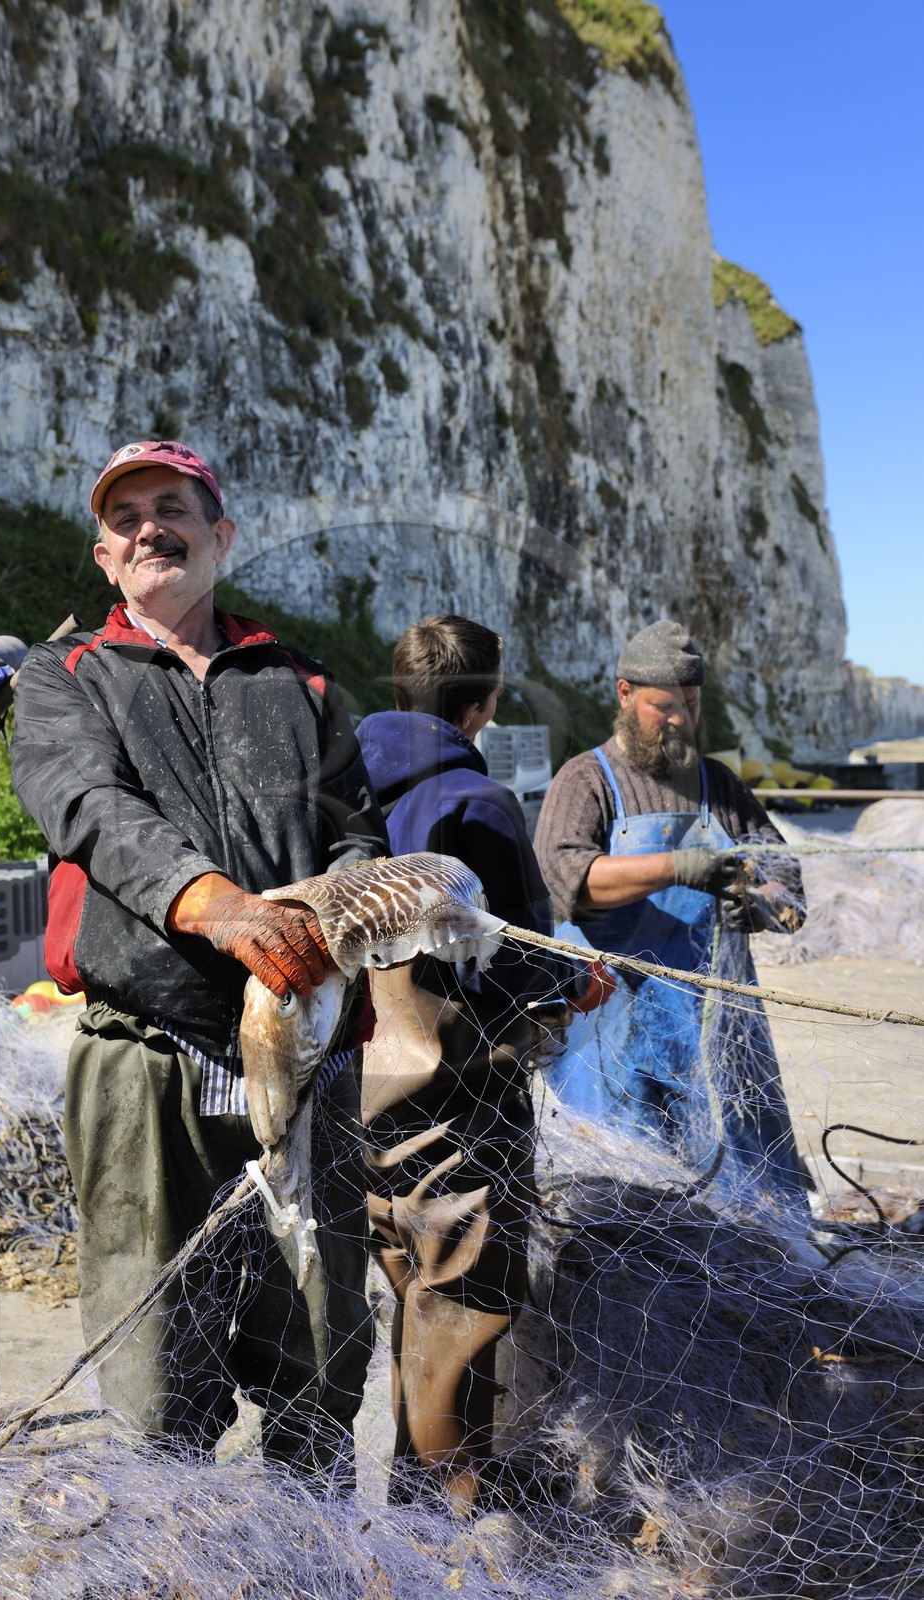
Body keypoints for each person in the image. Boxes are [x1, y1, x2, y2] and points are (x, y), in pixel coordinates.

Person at [11, 439, 388, 1483]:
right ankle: (169, 1549)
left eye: (170, 507)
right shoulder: (66, 675)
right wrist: (210, 902)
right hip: (146, 1056)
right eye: (125, 517)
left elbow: (356, 834)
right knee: (150, 1354)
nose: (149, 529)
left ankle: (300, 1544)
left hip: (306, 1055)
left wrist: (329, 918)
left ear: (220, 535)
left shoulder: (301, 681)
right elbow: (83, 803)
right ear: (103, 556)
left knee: (318, 1335)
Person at [355, 614, 600, 1517]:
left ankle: (417, 1495)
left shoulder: (347, 792)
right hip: (459, 1094)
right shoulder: (475, 804)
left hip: (367, 1089)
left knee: (409, 1294)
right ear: (485, 700)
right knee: (463, 1299)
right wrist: (573, 978)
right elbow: (508, 961)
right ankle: (451, 1507)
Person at [533, 617, 807, 1206]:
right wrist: (680, 867)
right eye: (664, 706)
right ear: (625, 695)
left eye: (690, 703)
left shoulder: (723, 787)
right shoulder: (585, 781)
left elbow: (787, 886)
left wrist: (758, 905)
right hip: (611, 1029)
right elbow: (571, 880)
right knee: (618, 1200)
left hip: (715, 1035)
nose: (680, 718)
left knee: (740, 1195)